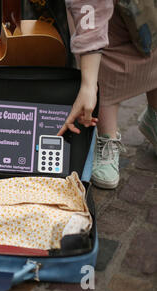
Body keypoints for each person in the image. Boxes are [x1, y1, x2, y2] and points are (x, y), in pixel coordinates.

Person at [58, 0, 157, 189]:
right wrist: (88, 86)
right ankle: (106, 136)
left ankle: (155, 118)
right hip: (105, 19)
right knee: (105, 59)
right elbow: (89, 14)